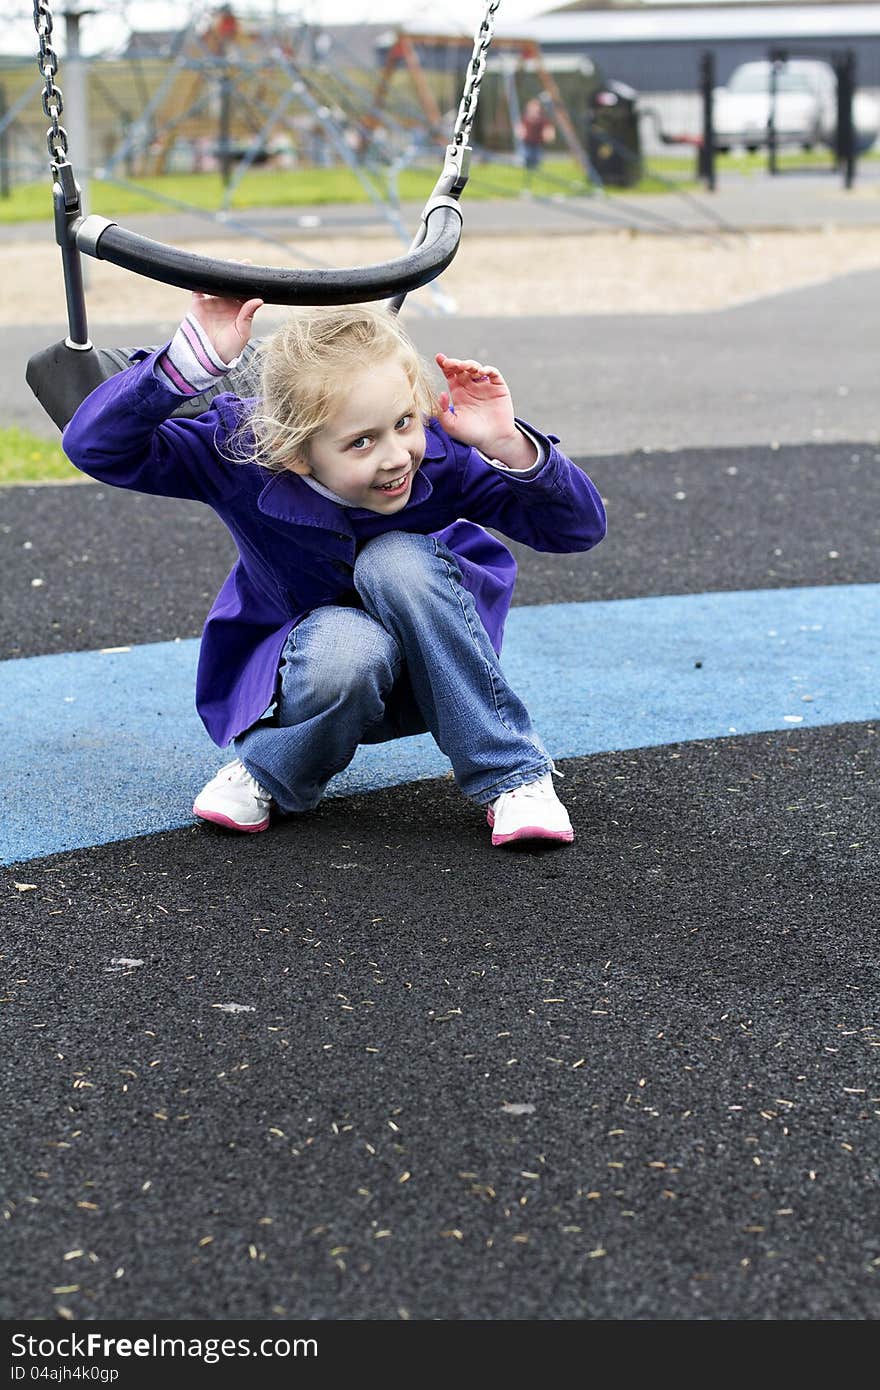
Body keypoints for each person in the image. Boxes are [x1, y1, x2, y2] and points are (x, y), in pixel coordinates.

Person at [62, 291, 606, 847]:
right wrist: (182, 367)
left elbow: (577, 529)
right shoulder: (244, 457)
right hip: (321, 673)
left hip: (441, 663)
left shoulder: (441, 456)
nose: (396, 456)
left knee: (394, 560)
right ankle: (274, 768)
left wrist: (507, 442)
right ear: (294, 453)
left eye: (403, 421)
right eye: (361, 441)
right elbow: (96, 449)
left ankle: (514, 775)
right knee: (348, 643)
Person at [516, 97, 556, 183]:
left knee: (536, 161)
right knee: (525, 157)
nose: (534, 112)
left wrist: (549, 135)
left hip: (537, 145)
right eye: (532, 110)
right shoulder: (525, 119)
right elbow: (520, 128)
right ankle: (525, 170)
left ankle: (534, 175)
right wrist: (520, 133)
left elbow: (548, 129)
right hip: (526, 144)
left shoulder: (542, 120)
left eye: (536, 110)